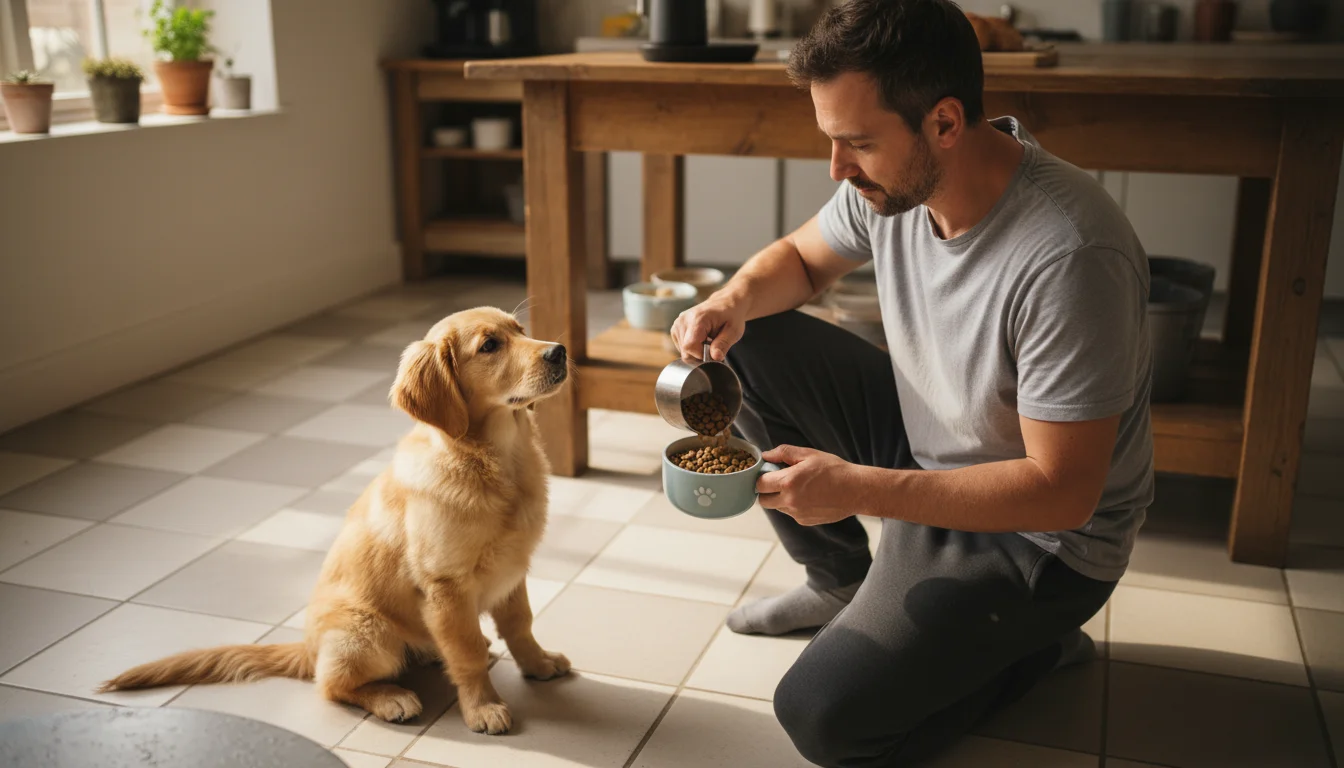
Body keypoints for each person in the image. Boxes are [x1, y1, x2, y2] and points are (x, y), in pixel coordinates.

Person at [669, 1, 1155, 765]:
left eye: (857, 143)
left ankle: (1032, 647)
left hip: (1039, 540)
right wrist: (728, 300)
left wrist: (860, 488)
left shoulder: (1070, 254)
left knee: (822, 719)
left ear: (945, 123)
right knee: (750, 335)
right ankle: (840, 579)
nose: (837, 168)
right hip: (931, 446)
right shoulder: (894, 187)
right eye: (831, 140)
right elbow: (798, 262)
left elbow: (1064, 492)